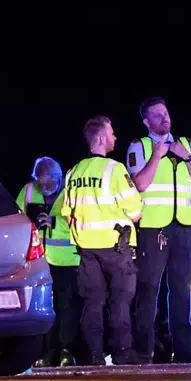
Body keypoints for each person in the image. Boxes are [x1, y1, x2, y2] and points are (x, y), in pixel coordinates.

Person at [55, 116, 143, 366]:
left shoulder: (73, 171)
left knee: (92, 303)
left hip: (86, 249)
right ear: (102, 138)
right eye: (112, 133)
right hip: (116, 246)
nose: (115, 137)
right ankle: (122, 353)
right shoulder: (114, 169)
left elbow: (66, 212)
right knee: (120, 301)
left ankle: (94, 355)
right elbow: (135, 211)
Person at [126, 97, 191, 364]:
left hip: (183, 227)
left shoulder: (186, 144)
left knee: (182, 288)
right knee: (148, 288)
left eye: (166, 113)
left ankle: (184, 348)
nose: (164, 118)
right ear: (146, 121)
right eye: (157, 115)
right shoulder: (140, 146)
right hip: (153, 228)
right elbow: (139, 184)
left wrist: (189, 157)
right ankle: (143, 349)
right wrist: (157, 157)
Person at [15, 157, 80, 366]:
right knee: (42, 309)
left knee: (67, 309)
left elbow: (81, 222)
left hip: (67, 262)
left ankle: (67, 352)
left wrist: (53, 222)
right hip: (38, 263)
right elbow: (16, 218)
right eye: (39, 183)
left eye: (48, 184)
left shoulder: (71, 191)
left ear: (59, 178)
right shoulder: (27, 191)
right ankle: (45, 353)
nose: (43, 188)